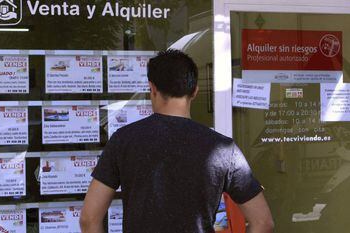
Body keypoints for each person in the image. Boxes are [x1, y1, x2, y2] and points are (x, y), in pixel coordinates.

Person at [80, 49, 274, 233]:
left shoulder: (124, 140)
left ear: (152, 89)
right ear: (195, 91)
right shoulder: (222, 148)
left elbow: (89, 219)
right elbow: (263, 222)